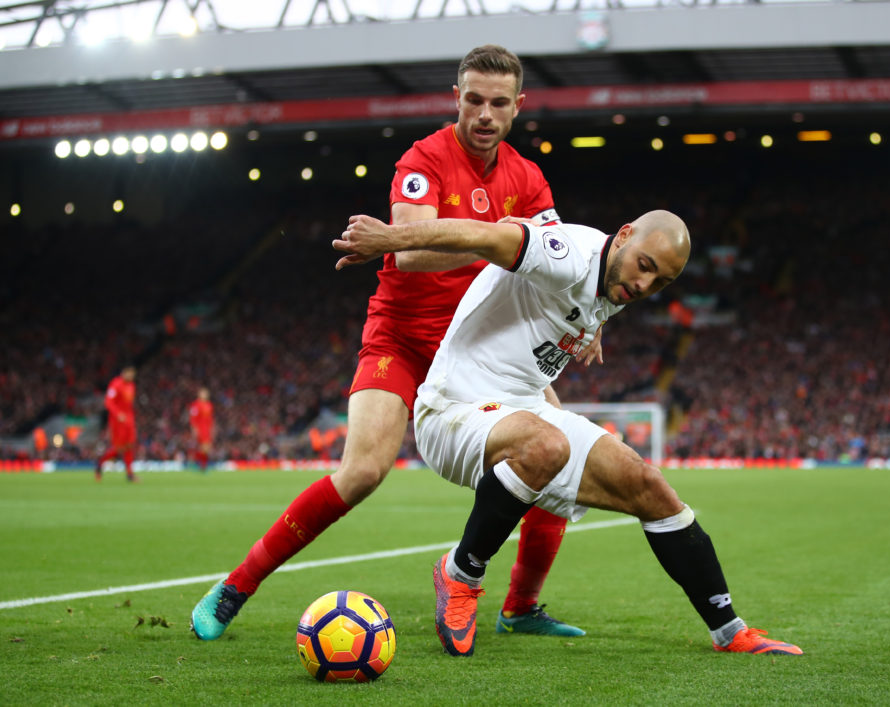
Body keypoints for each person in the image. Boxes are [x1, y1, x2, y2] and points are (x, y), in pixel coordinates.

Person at [191, 44, 596, 640]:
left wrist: (592, 317)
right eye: (475, 100)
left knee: (554, 458)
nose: (485, 114)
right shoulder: (423, 158)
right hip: (402, 337)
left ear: (518, 107)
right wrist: (497, 241)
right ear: (456, 97)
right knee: (363, 471)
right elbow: (405, 252)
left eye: (499, 104)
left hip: (486, 347)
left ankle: (520, 608)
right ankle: (235, 587)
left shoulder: (528, 178)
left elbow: (562, 263)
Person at [333, 210, 804, 658]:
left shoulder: (613, 285)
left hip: (523, 409)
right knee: (546, 445)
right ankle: (460, 573)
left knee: (649, 486)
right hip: (452, 408)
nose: (644, 285)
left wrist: (592, 324)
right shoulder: (566, 254)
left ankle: (729, 631)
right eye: (644, 266)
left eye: (661, 281)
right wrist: (388, 240)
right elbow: (488, 235)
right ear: (622, 236)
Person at [95, 366, 138, 483]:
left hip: (129, 420)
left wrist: (131, 418)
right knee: (119, 449)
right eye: (129, 373)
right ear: (123, 373)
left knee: (130, 446)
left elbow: (129, 405)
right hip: (117, 421)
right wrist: (118, 414)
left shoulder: (131, 386)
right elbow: (108, 402)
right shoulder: (116, 384)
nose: (131, 376)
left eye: (133, 374)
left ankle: (130, 474)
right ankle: (100, 463)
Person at [189, 387, 214, 470]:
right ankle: (201, 464)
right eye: (203, 393)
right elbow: (193, 419)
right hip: (200, 428)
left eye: (206, 393)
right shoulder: (195, 405)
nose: (205, 395)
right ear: (199, 394)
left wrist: (211, 429)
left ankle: (201, 464)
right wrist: (194, 429)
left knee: (207, 448)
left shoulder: (209, 405)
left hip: (207, 429)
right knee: (203, 447)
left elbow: (210, 419)